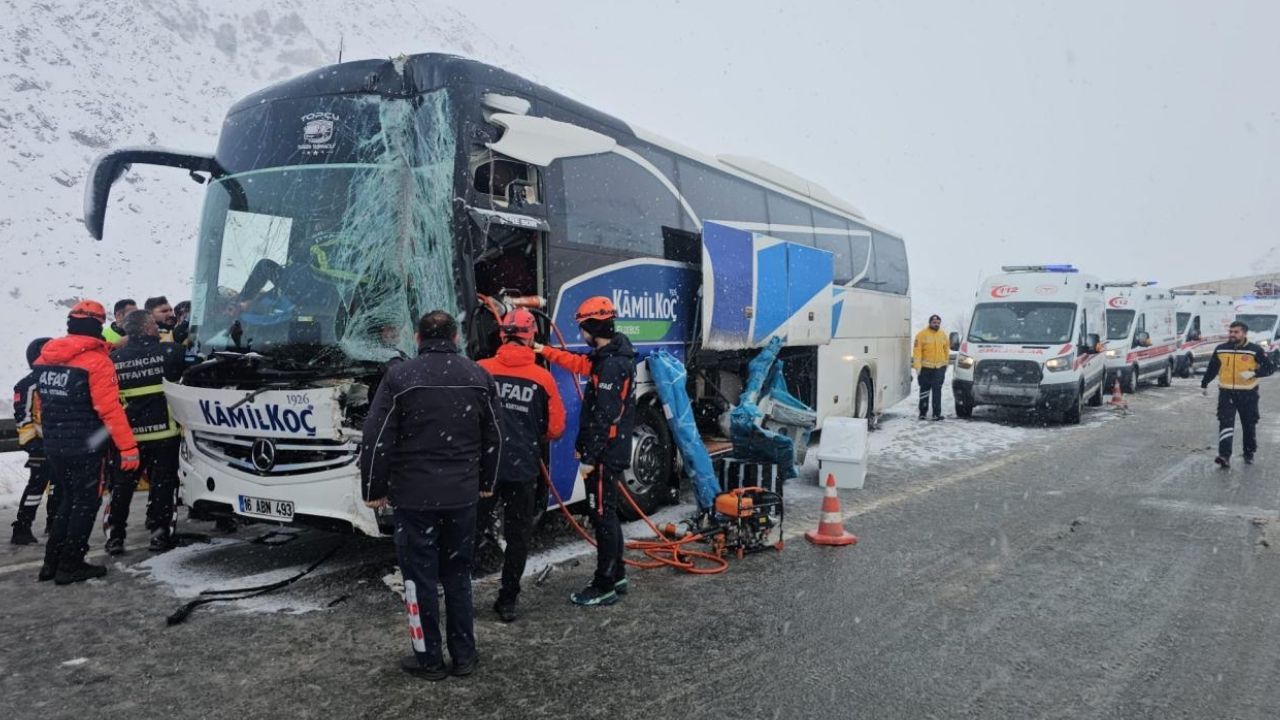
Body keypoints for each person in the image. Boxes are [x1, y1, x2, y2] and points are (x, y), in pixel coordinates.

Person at [360, 310, 501, 680]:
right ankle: (465, 655)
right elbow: (495, 436)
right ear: (455, 338)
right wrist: (487, 481)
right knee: (458, 574)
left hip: (414, 498)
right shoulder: (479, 376)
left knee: (418, 579)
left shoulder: (400, 377)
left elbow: (377, 437)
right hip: (462, 497)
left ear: (418, 339)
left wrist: (373, 488)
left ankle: (429, 659)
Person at [534, 296, 636, 607]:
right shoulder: (608, 357)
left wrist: (589, 459)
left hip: (604, 455)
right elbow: (578, 363)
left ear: (593, 327)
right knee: (608, 514)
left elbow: (604, 417)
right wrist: (543, 350)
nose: (581, 334)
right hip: (608, 452)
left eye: (582, 327)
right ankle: (617, 574)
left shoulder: (611, 365)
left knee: (602, 516)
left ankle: (603, 585)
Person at [34, 301, 139, 584]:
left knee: (68, 500)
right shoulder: (97, 362)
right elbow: (110, 410)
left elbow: (44, 402)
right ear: (97, 326)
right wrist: (128, 448)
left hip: (55, 444)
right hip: (86, 445)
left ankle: (51, 563)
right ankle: (71, 564)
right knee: (85, 503)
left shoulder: (46, 358)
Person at [477, 308, 566, 622]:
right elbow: (556, 429)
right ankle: (507, 601)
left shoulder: (480, 370)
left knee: (470, 532)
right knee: (518, 537)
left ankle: (458, 595)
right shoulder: (543, 378)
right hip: (522, 469)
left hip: (485, 470)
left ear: (502, 335)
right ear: (531, 338)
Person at [105, 310, 188, 554]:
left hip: (129, 438)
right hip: (165, 433)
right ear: (147, 328)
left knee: (121, 488)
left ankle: (115, 536)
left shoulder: (114, 359)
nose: (156, 327)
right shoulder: (171, 352)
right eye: (152, 323)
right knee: (163, 485)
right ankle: (160, 534)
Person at [1201, 320, 1274, 468]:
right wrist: (1204, 383)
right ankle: (1224, 456)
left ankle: (1249, 452)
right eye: (1231, 331)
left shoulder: (1255, 350)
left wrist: (1254, 373)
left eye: (1236, 332)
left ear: (1244, 333)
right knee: (1225, 423)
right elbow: (1213, 367)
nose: (1232, 334)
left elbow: (1269, 368)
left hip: (1248, 393)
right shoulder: (1221, 349)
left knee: (1248, 424)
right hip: (1226, 393)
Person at [10, 337, 57, 545]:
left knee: (59, 484)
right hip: (39, 444)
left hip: (59, 443)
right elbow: (23, 416)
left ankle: (54, 522)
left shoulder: (59, 379)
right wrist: (32, 444)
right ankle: (22, 526)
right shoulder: (28, 385)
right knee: (37, 486)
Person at [913, 314, 950, 421]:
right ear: (930, 323)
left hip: (939, 369)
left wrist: (945, 364)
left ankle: (936, 414)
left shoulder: (943, 335)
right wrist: (917, 367)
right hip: (925, 369)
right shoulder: (921, 335)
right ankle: (923, 413)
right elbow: (917, 352)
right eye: (934, 323)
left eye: (938, 323)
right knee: (924, 391)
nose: (936, 324)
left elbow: (946, 350)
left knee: (937, 391)